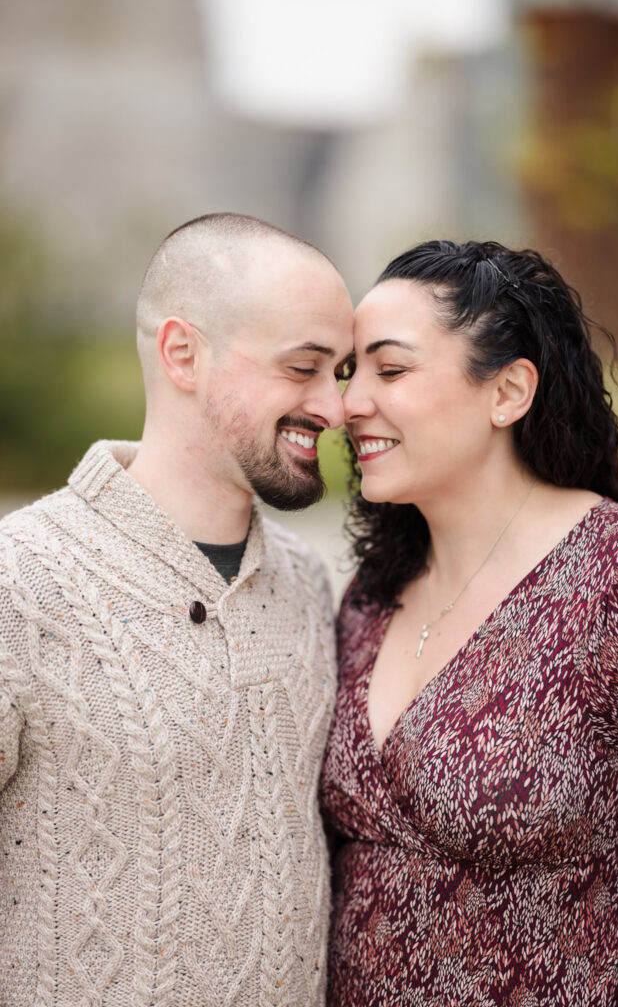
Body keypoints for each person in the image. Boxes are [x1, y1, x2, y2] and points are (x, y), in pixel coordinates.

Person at [0, 212, 354, 1005]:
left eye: (342, 370)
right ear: (182, 355)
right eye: (303, 367)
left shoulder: (307, 581)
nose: (333, 408)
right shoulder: (20, 581)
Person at [320, 239, 618, 1006]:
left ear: (508, 391)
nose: (349, 402)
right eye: (349, 373)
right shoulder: (368, 594)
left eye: (389, 369)